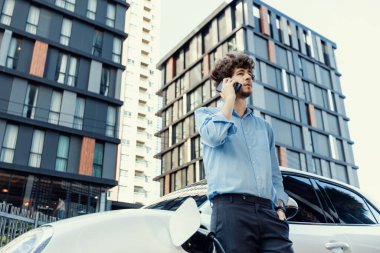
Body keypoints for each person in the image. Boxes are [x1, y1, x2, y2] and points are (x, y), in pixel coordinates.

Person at [195, 53, 294, 253]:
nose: (248, 77)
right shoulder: (207, 115)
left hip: (269, 213)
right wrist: (229, 99)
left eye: (250, 74)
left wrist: (280, 207)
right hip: (231, 212)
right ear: (226, 82)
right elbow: (214, 137)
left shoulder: (264, 127)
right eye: (241, 73)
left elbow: (274, 174)